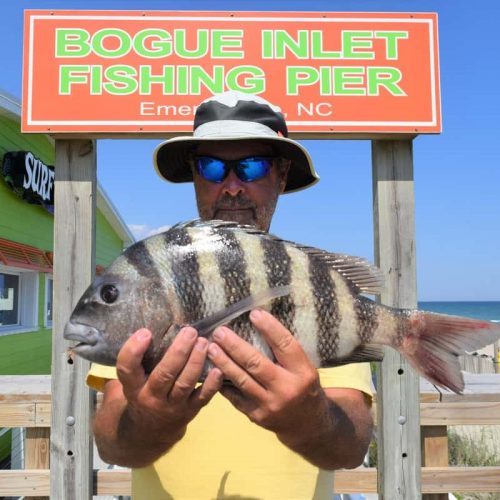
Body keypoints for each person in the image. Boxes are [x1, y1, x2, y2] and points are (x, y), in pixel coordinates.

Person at [88, 91, 374, 499]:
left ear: (280, 174)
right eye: (212, 167)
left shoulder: (313, 286)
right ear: (194, 174)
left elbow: (352, 446)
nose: (233, 187)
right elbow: (112, 444)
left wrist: (309, 418)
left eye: (252, 167)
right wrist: (148, 420)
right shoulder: (151, 278)